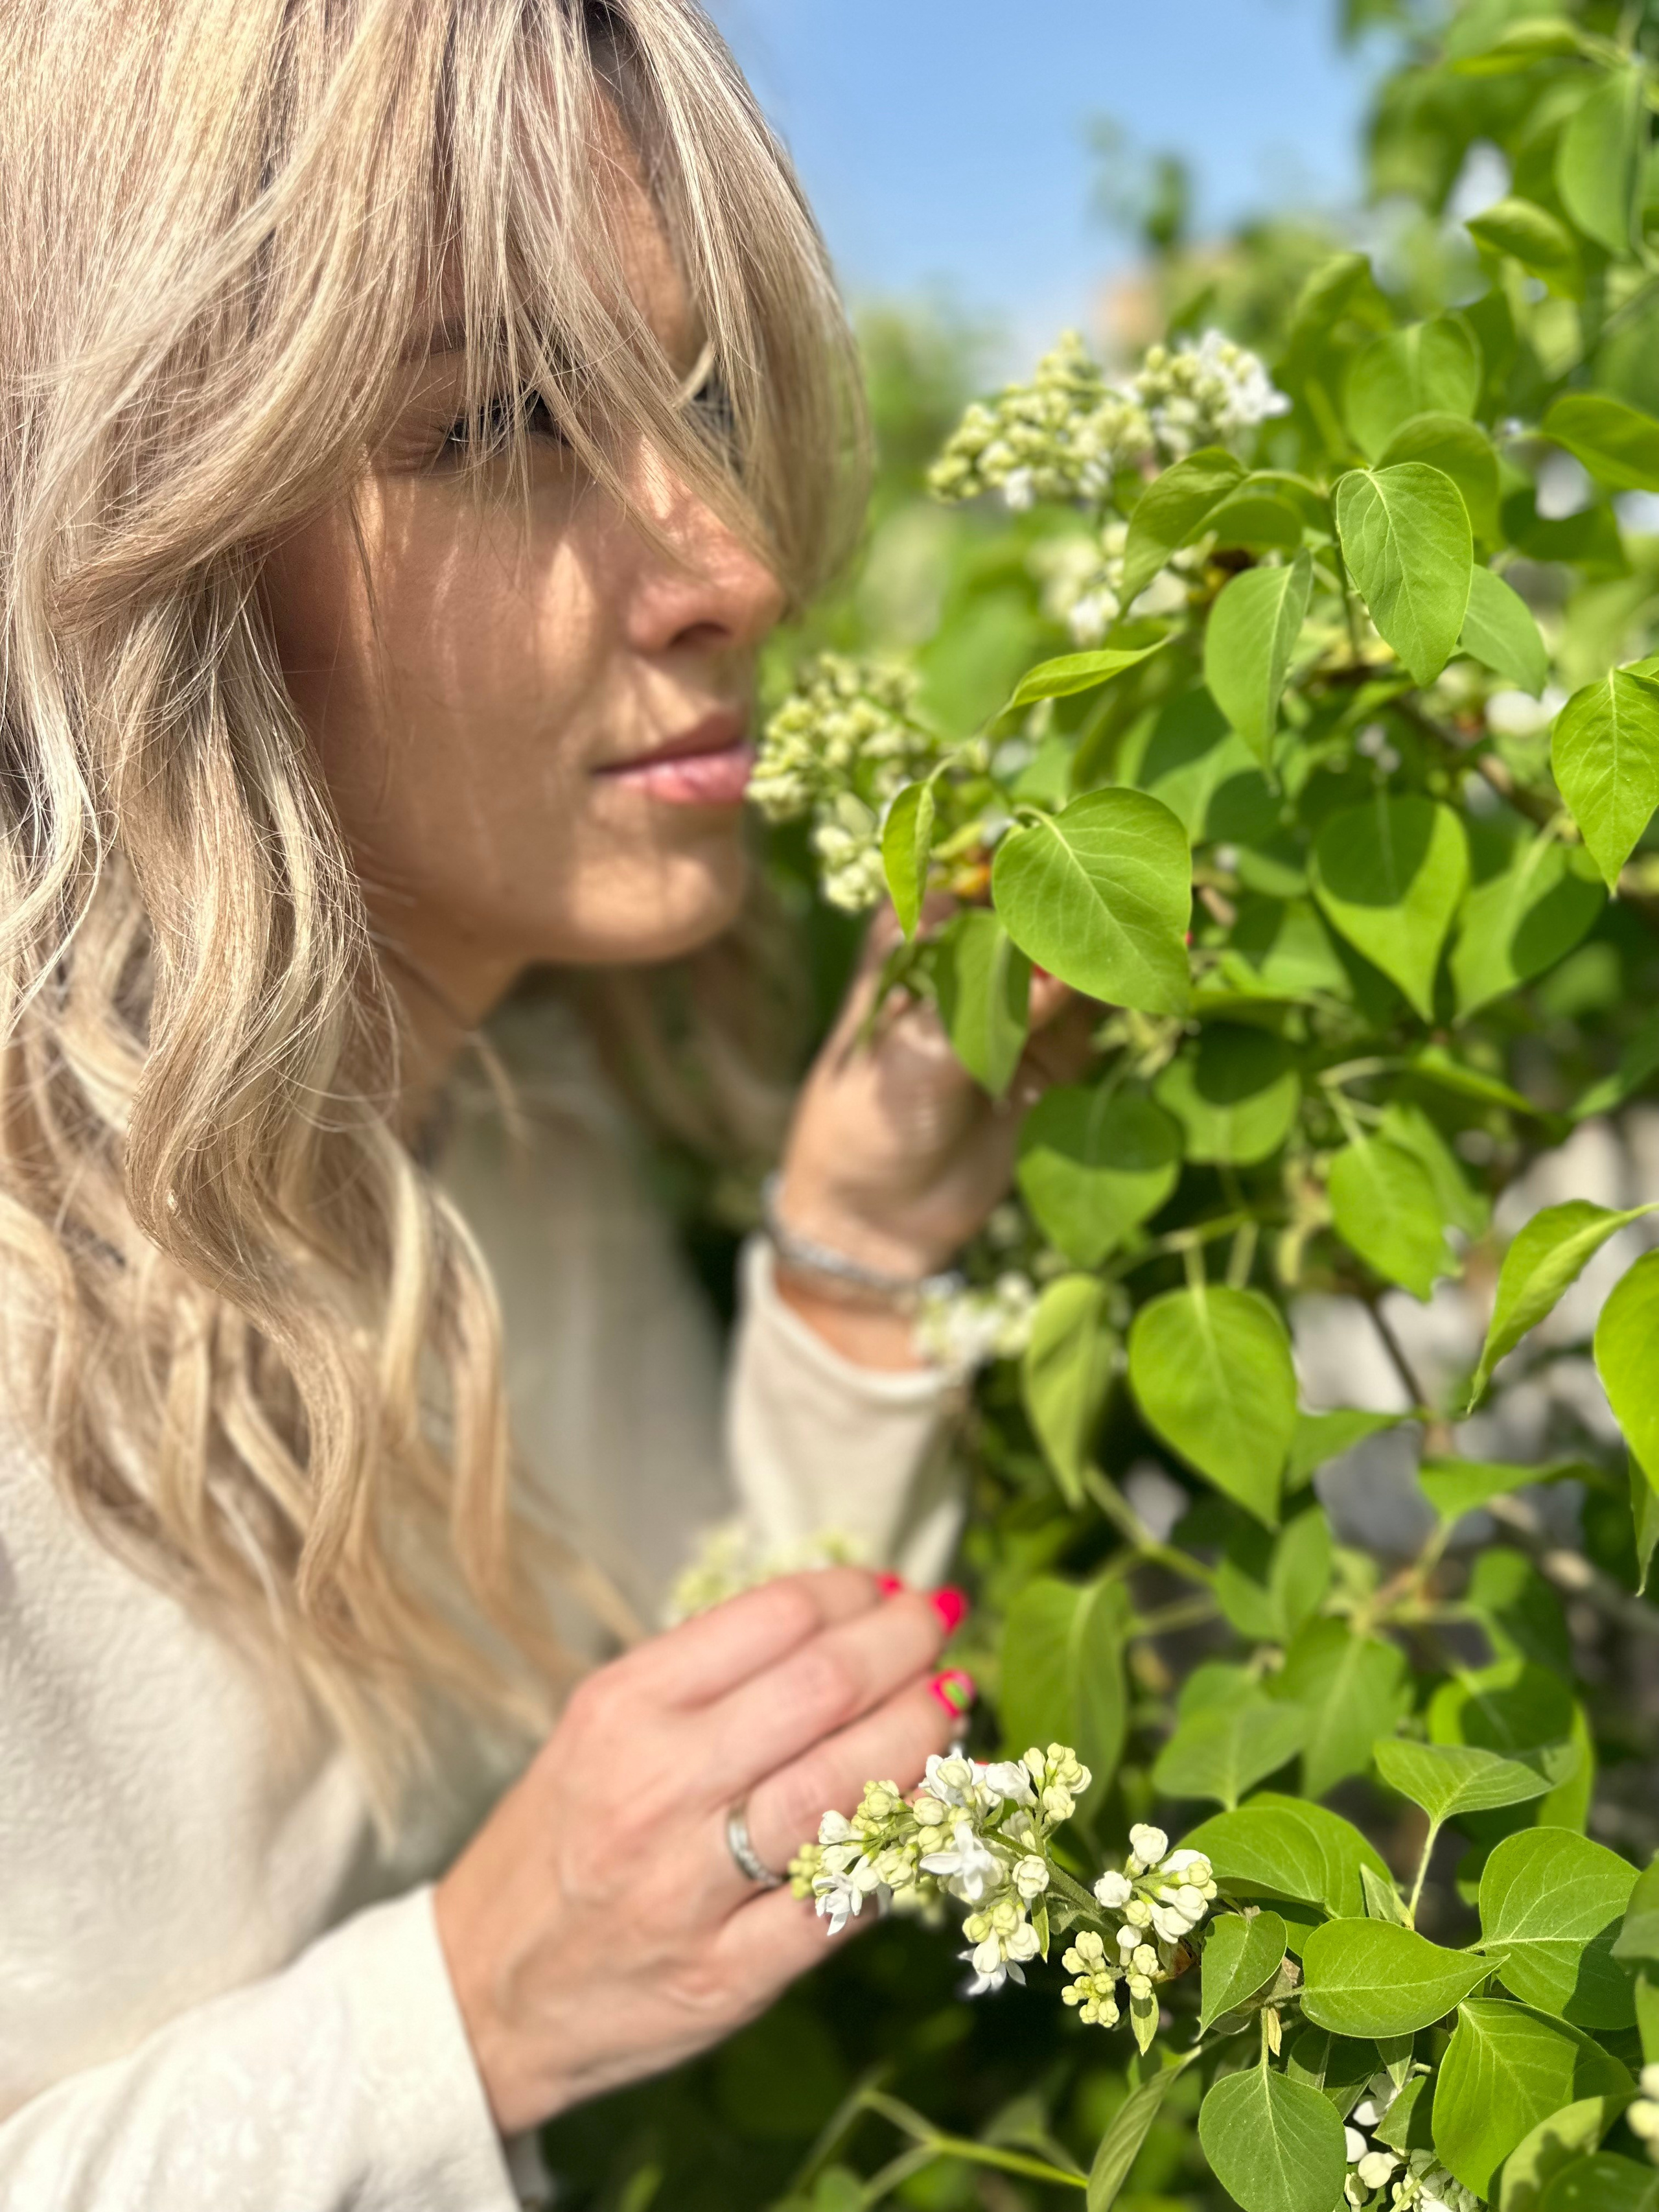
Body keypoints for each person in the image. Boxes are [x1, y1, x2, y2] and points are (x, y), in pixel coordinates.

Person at [0, 2, 1086, 2204]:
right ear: (148, 523)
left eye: (696, 396)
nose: (739, 570)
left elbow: (697, 1766)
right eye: (499, 421)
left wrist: (858, 1248)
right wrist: (467, 2019)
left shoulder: (529, 1108)